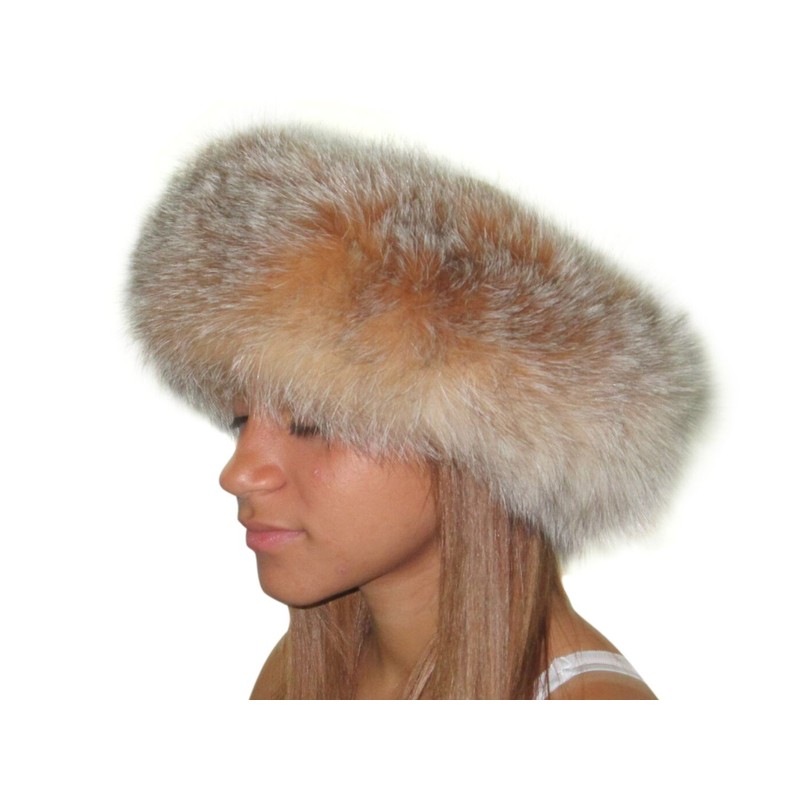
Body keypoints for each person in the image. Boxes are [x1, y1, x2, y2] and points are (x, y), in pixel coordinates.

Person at [127, 126, 708, 699]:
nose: (239, 474)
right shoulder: (299, 678)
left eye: (311, 423)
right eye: (241, 421)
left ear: (477, 444)